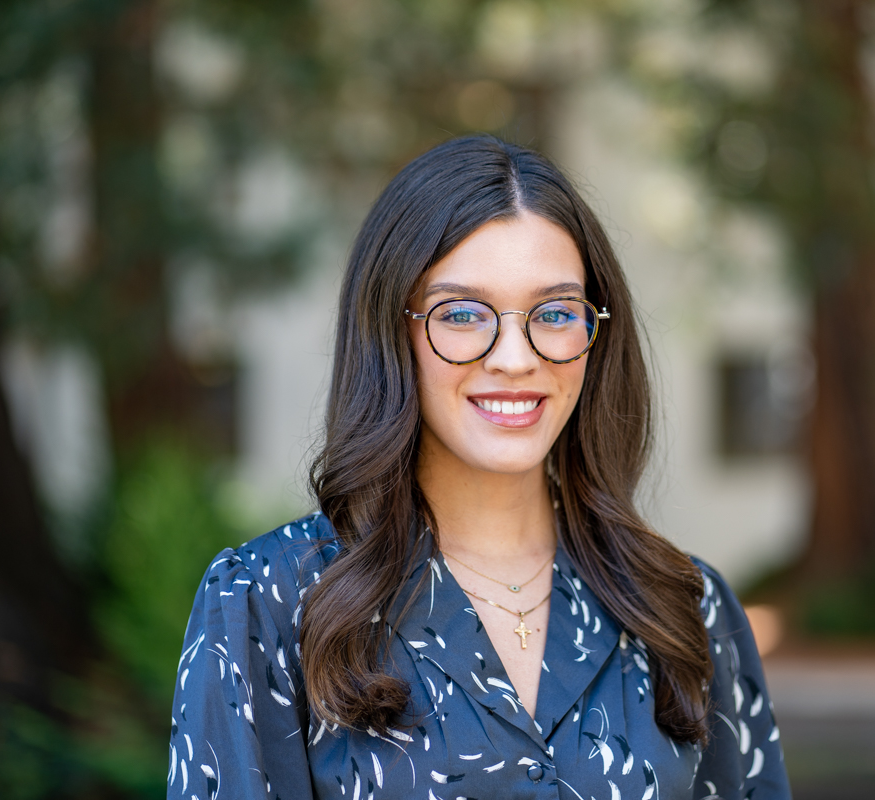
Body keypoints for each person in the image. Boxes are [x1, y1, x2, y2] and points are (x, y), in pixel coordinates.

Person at [168, 135, 791, 800]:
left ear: (594, 334)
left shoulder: (686, 607)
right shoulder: (268, 603)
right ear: (391, 330)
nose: (516, 358)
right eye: (462, 314)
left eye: (554, 313)